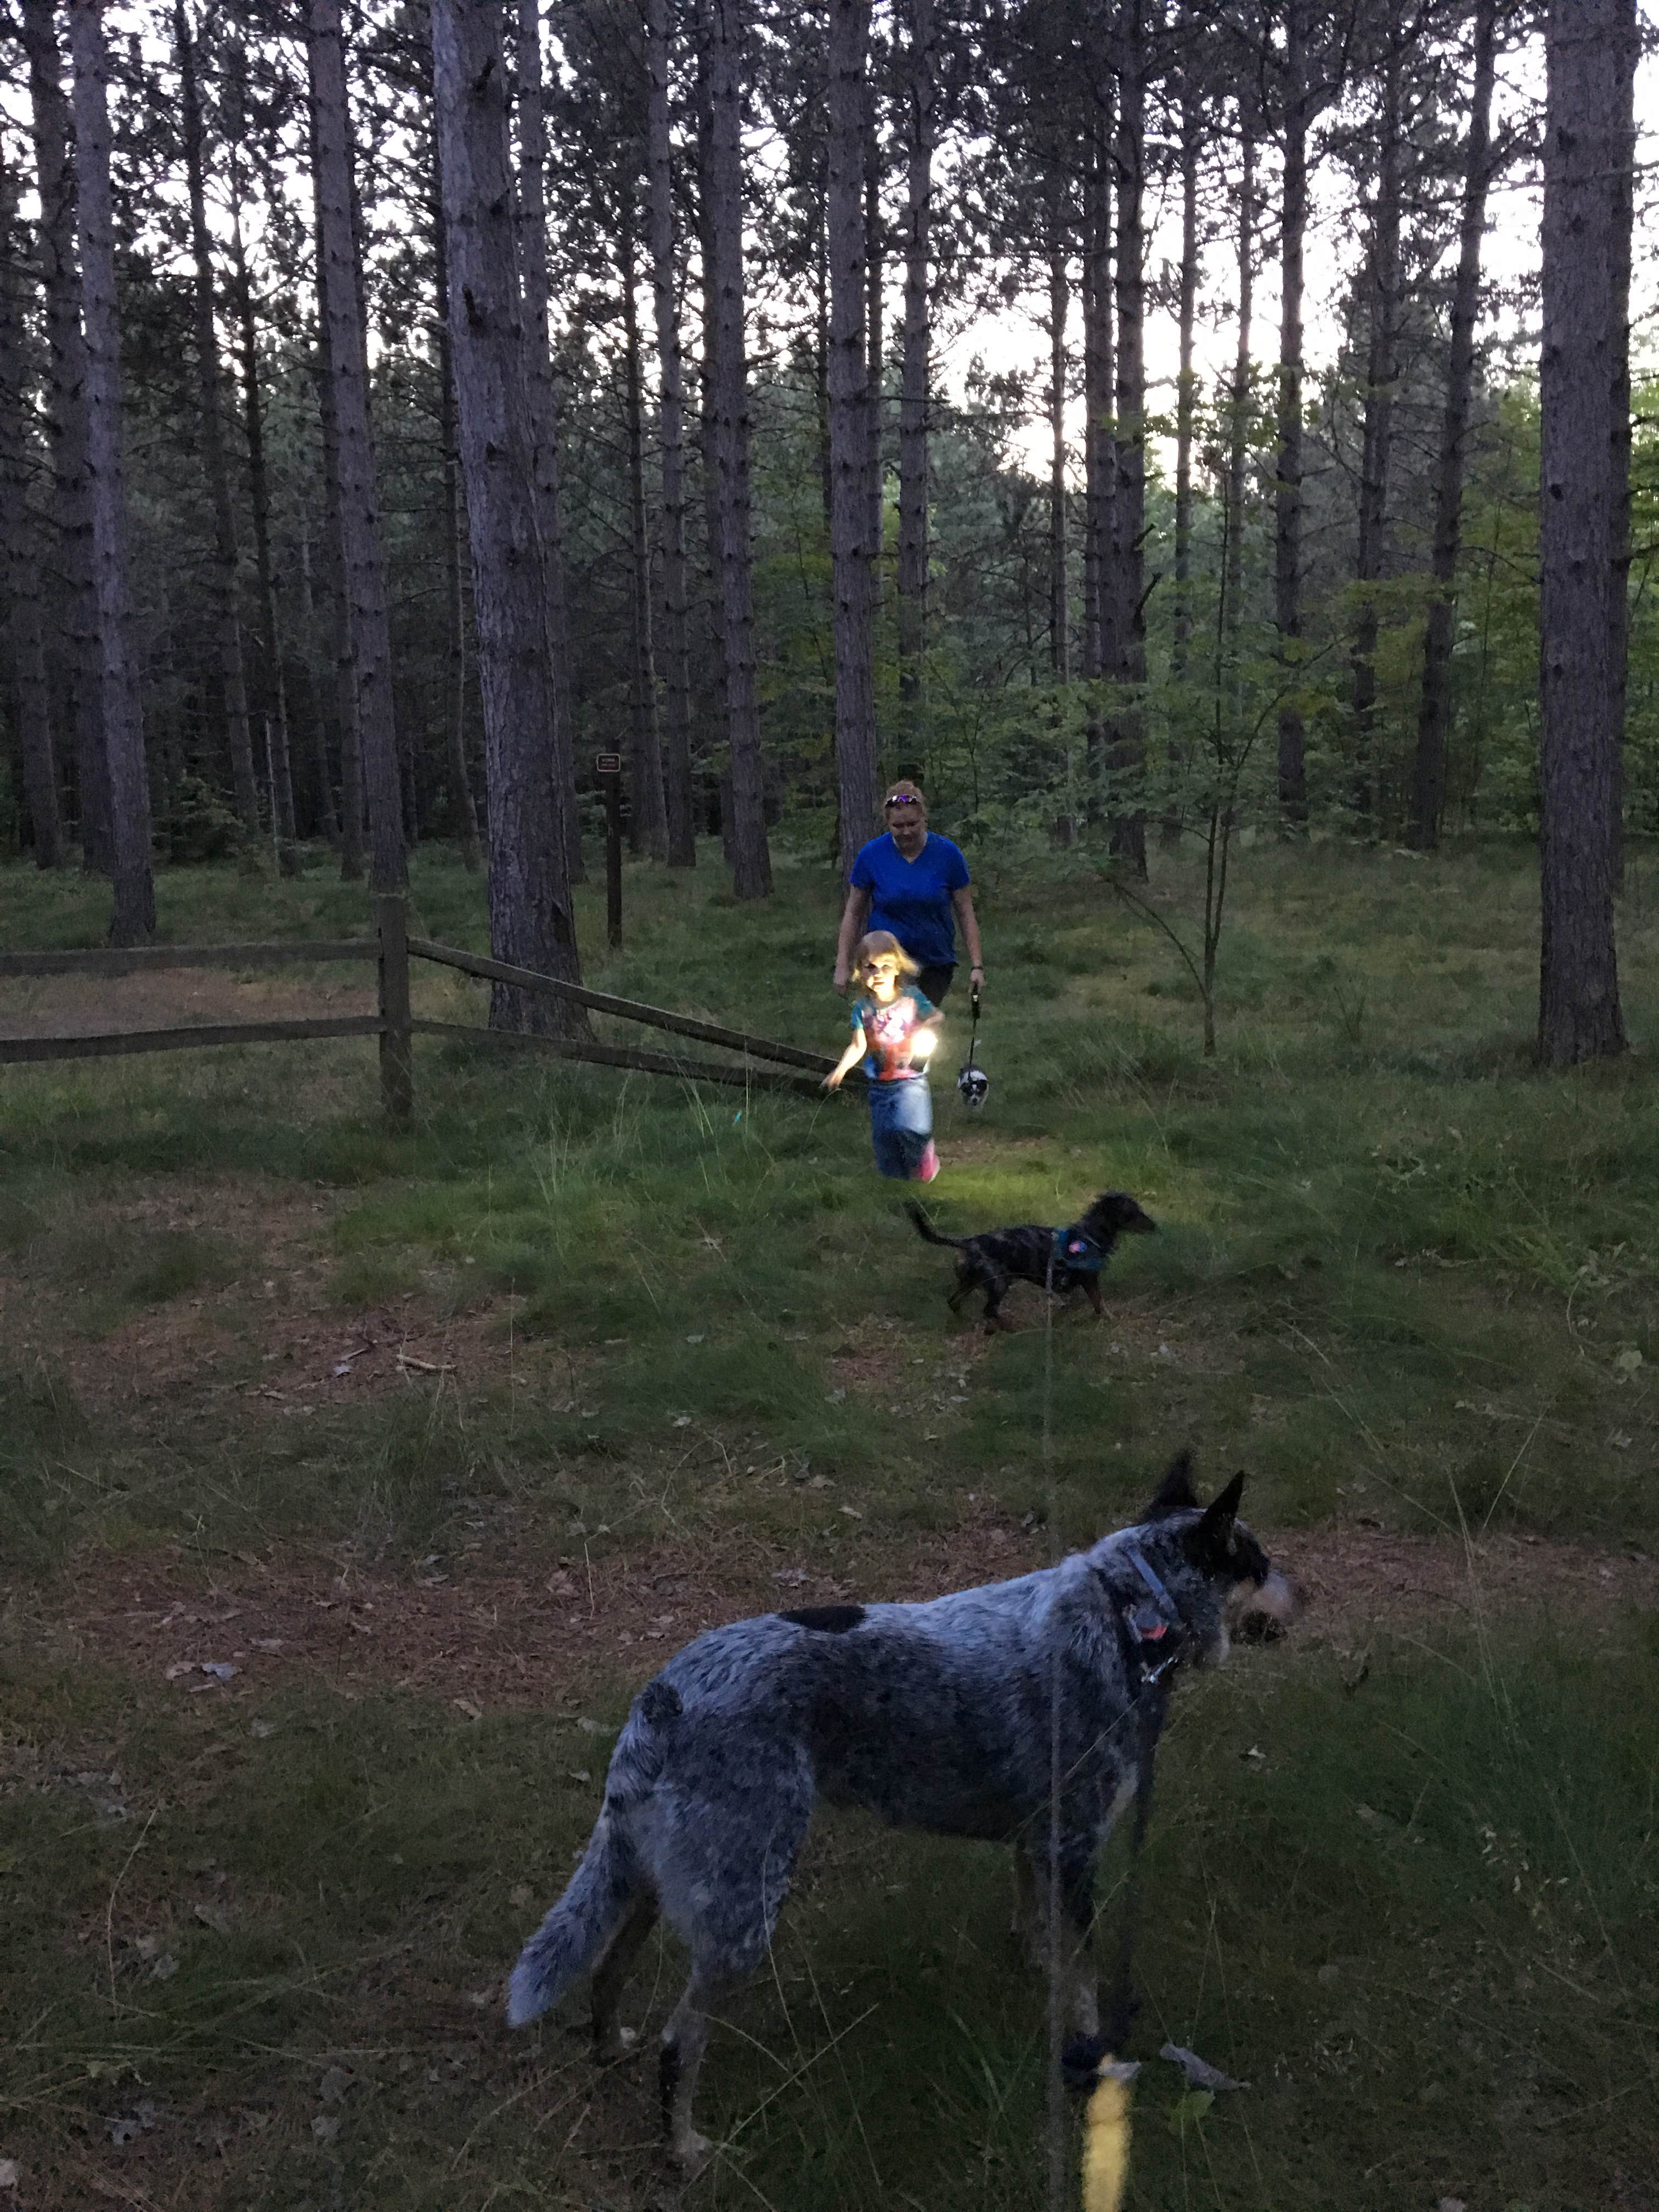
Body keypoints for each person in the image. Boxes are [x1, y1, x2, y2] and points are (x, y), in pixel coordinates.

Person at [833, 781, 984, 1007]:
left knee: (921, 1025)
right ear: (888, 824)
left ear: (924, 818)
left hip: (934, 962)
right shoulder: (872, 855)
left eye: (912, 824)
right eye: (898, 826)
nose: (906, 831)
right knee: (890, 1027)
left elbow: (965, 912)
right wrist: (843, 964)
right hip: (884, 964)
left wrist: (977, 966)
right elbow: (854, 913)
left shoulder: (948, 854)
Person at [822, 932, 943, 1182]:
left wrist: (925, 1026)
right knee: (885, 1135)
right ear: (860, 971)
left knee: (911, 1128)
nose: (878, 974)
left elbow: (937, 1017)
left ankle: (923, 1159)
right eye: (870, 967)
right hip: (879, 1082)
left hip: (910, 1078)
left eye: (885, 967)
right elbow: (858, 1045)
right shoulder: (863, 1010)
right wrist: (840, 1071)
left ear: (898, 968)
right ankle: (895, 1183)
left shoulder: (911, 998)